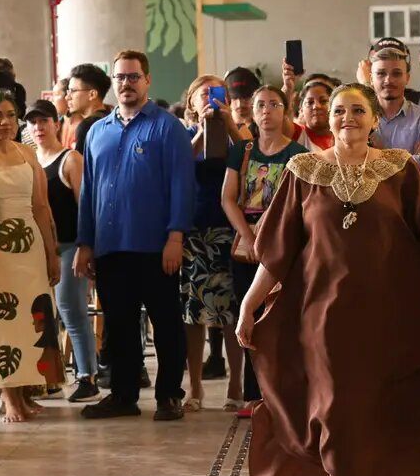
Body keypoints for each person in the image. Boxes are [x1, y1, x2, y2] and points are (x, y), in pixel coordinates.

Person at [235, 83, 420, 476]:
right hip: (322, 317)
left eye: (358, 110)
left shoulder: (400, 169)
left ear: (375, 119)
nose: (347, 117)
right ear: (323, 117)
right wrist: (250, 303)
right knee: (335, 406)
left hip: (384, 316)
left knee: (373, 407)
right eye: (338, 110)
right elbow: (276, 252)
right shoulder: (303, 170)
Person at [74, 50, 195, 421]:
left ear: (147, 80)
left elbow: (181, 186)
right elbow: (89, 191)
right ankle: (123, 396)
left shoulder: (167, 128)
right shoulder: (97, 131)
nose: (126, 83)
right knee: (119, 325)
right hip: (111, 247)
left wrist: (175, 237)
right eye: (120, 77)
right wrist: (85, 243)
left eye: (133, 76)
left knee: (166, 323)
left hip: (156, 247)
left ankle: (169, 395)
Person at [0, 91, 65, 422]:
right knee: (5, 322)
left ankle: (25, 390)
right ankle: (7, 394)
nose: (5, 122)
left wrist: (51, 252)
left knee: (34, 320)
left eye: (11, 115)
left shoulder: (27, 153)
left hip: (30, 249)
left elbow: (42, 207)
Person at [222, 85, 308, 419]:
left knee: (281, 317)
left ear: (285, 111)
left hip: (283, 238)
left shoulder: (297, 154)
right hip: (247, 237)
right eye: (261, 105)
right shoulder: (242, 151)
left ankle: (282, 394)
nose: (267, 110)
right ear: (252, 112)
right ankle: (253, 394)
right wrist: (248, 234)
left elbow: (297, 204)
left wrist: (270, 237)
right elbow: (228, 197)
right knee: (248, 315)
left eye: (275, 104)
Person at [24, 100, 99, 403]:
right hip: (38, 248)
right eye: (32, 123)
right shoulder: (27, 159)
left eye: (44, 121)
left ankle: (87, 376)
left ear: (56, 123)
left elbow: (86, 208)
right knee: (41, 314)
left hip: (69, 245)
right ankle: (51, 377)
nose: (38, 128)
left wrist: (85, 246)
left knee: (70, 307)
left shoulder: (70, 160)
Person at [179, 75, 246, 412]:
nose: (209, 97)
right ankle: (194, 387)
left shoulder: (236, 130)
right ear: (191, 101)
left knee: (230, 312)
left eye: (216, 91)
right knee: (192, 314)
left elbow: (251, 158)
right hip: (193, 230)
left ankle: (236, 382)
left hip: (228, 230)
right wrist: (203, 131)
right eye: (203, 93)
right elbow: (177, 167)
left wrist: (228, 124)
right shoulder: (184, 134)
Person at [370, 41, 420, 179]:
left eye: (396, 74)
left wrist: (379, 156)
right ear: (371, 79)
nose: (388, 80)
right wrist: (409, 157)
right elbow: (356, 166)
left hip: (411, 200)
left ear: (407, 78)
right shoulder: (360, 118)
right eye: (381, 73)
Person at [64, 63, 112, 153]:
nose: (67, 97)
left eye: (73, 91)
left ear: (92, 94)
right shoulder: (112, 120)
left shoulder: (87, 126)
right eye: (68, 91)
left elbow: (80, 165)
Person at [293, 76, 335, 151]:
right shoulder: (296, 133)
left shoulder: (344, 137)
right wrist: (288, 87)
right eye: (310, 102)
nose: (316, 106)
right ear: (301, 109)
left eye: (323, 101)